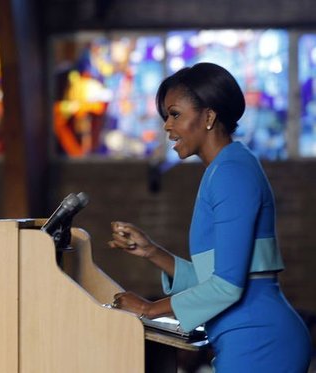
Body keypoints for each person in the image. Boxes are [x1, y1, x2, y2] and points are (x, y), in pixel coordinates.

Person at [108, 62, 312, 372]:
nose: (166, 126)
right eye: (166, 117)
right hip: (246, 337)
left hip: (259, 342)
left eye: (175, 114)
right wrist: (151, 251)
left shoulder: (231, 173)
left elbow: (228, 287)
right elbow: (217, 278)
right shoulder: (225, 168)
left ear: (208, 116)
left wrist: (149, 308)